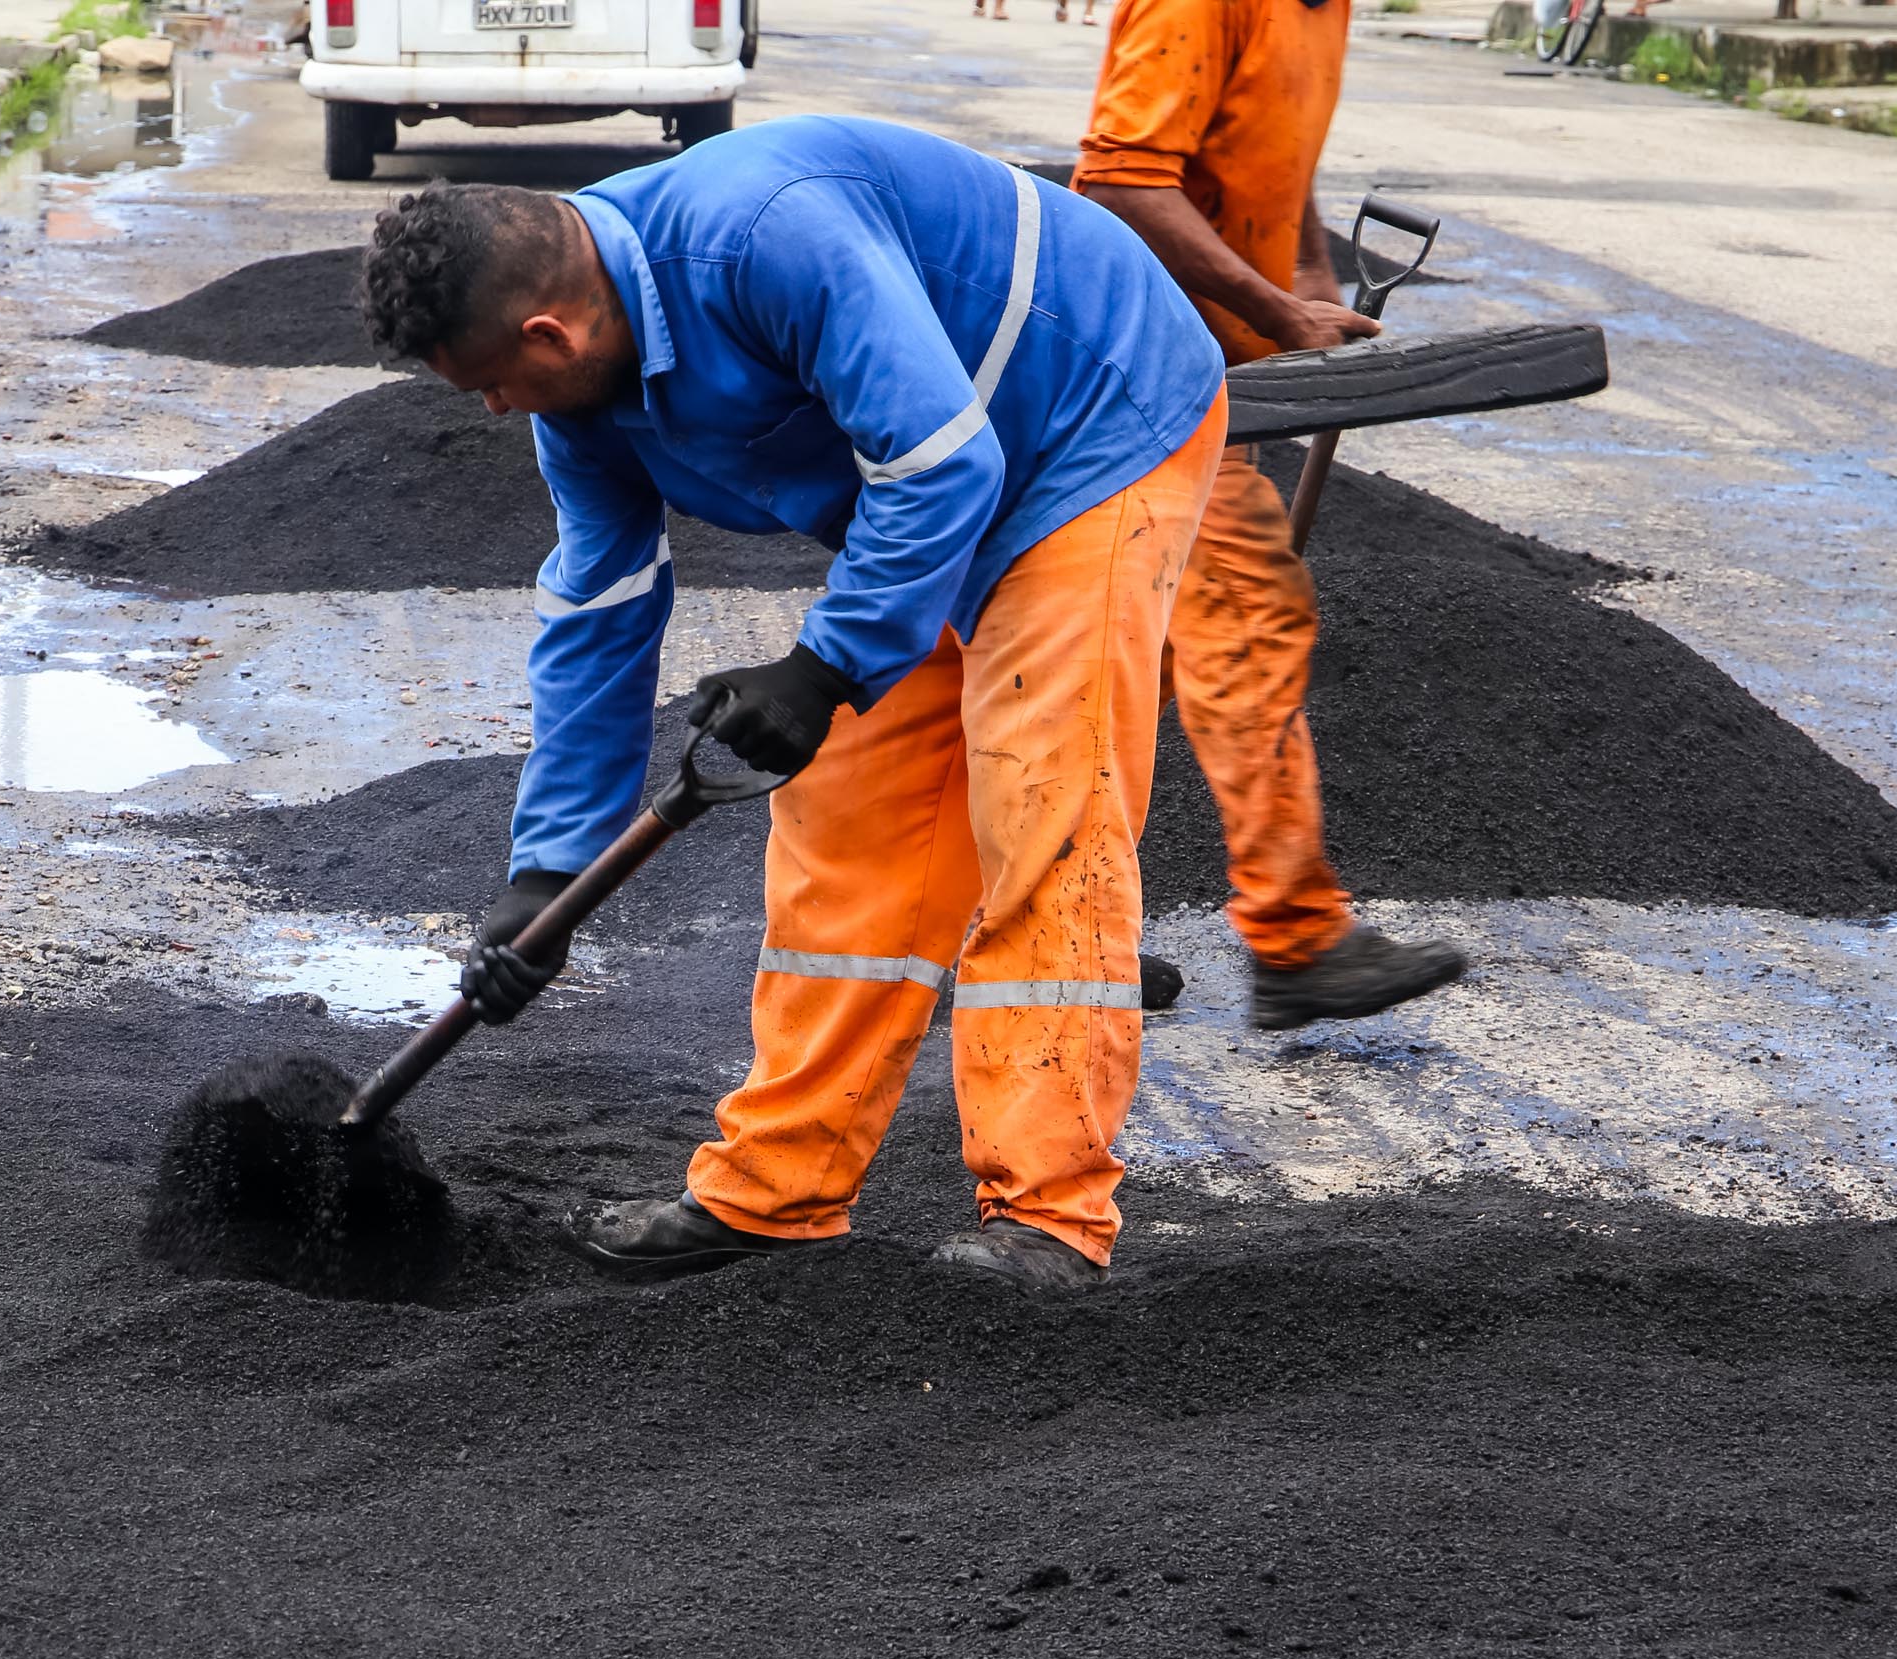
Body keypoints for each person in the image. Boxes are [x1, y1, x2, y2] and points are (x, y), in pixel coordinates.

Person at [359, 117, 1230, 1292]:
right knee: (849, 822)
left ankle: (1049, 1214)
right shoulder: (585, 402)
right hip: (928, 486)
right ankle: (777, 1188)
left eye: (493, 384)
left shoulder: (762, 232)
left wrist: (825, 669)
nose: (496, 410)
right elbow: (598, 616)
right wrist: (545, 878)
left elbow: (942, 465)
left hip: (1082, 426)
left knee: (1042, 805)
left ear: (546, 330)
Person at [1071, 0, 1467, 1029]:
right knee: (1248, 613)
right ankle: (1297, 940)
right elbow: (1120, 182)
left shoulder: (1320, 8)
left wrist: (1309, 282)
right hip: (1132, 374)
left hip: (1207, 384)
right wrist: (1276, 310)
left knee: (1124, 663)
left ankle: (1029, 923)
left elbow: (1263, 160)